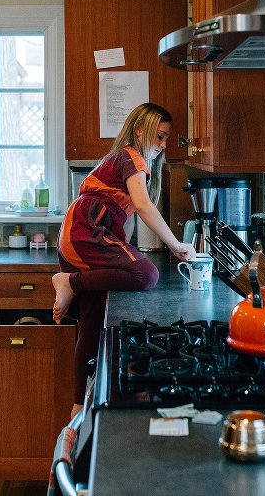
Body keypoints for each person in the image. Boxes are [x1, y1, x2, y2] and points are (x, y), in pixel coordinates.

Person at [52, 103, 196, 417]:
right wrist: (175, 245)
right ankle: (68, 282)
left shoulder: (120, 161)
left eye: (167, 138)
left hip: (78, 233)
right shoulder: (131, 156)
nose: (163, 145)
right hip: (84, 232)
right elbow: (143, 207)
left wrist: (123, 252)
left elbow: (126, 221)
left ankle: (79, 407)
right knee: (147, 274)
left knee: (92, 320)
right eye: (160, 136)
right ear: (140, 130)